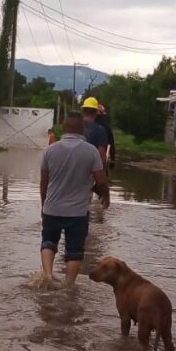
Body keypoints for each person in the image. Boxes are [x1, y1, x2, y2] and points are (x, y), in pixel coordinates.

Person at [40, 112, 110, 286]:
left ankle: (48, 275)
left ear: (64, 128)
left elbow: (43, 182)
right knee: (74, 251)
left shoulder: (50, 150)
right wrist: (106, 196)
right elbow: (101, 180)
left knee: (48, 242)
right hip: (78, 212)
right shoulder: (91, 151)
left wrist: (44, 204)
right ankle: (68, 286)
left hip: (52, 208)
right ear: (82, 129)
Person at [80, 97, 109, 169]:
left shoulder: (74, 126)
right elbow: (102, 156)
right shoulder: (100, 130)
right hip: (89, 170)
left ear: (83, 111)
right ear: (96, 112)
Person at [97, 103, 116, 171]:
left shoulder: (86, 125)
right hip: (102, 157)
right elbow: (111, 143)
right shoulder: (106, 126)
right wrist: (113, 160)